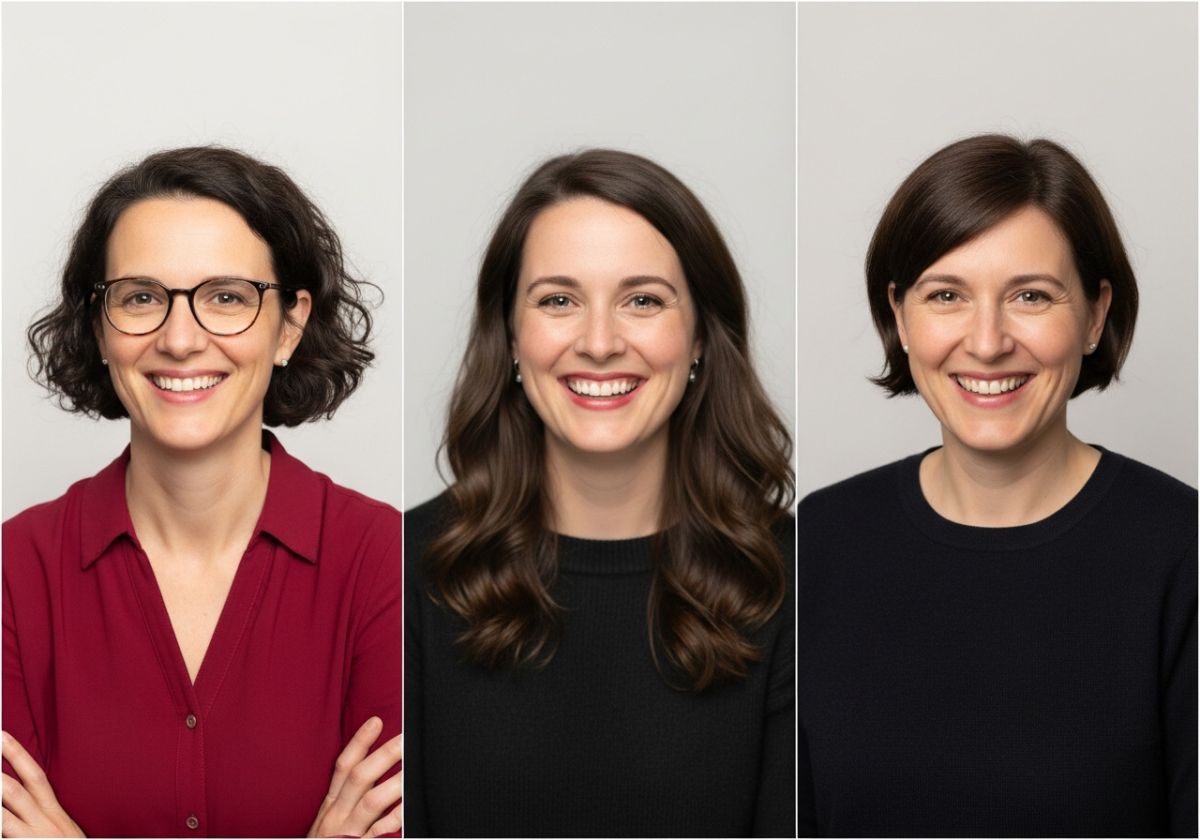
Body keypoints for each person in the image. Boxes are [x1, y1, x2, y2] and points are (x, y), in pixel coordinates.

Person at [797, 134, 1197, 837]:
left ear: (1096, 315)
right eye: (946, 294)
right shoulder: (816, 544)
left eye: (1031, 296)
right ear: (900, 315)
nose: (986, 342)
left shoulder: (1182, 553)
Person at [2, 147, 402, 838]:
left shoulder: (389, 562)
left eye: (226, 298)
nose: (180, 339)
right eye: (140, 297)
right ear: (99, 325)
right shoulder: (13, 571)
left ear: (291, 325)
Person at [405, 149, 795, 837]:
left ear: (701, 334)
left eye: (642, 300)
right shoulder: (401, 570)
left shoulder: (800, 579)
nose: (599, 342)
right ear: (512, 339)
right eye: (559, 300)